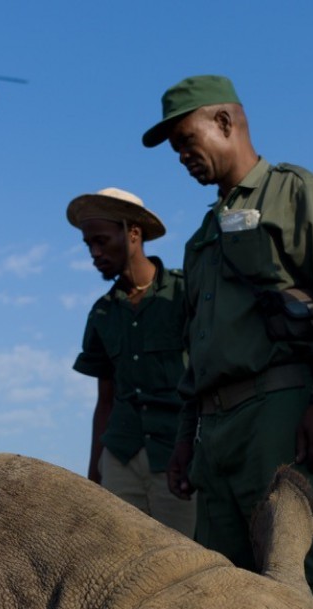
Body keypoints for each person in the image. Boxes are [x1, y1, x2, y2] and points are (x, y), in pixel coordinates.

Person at [143, 75, 313, 609]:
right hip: (215, 433)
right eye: (174, 148)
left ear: (225, 122)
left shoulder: (294, 193)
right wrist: (182, 443)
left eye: (186, 138)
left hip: (281, 413)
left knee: (302, 582)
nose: (182, 155)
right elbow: (197, 354)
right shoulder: (200, 238)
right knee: (221, 592)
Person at [68, 188, 195, 537]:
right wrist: (95, 474)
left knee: (183, 565)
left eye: (101, 241)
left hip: (177, 455)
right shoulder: (103, 312)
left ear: (133, 234)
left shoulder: (184, 294)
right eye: (88, 245)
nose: (95, 253)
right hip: (120, 457)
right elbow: (105, 400)